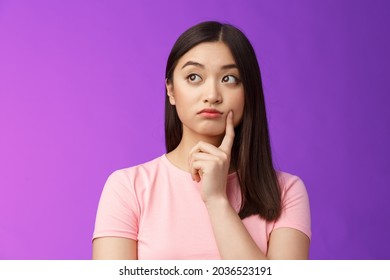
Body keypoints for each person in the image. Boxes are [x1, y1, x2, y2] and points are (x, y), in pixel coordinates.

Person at [92, 21, 311, 260]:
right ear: (171, 90)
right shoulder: (128, 188)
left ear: (249, 92)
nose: (212, 95)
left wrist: (217, 200)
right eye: (194, 77)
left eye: (229, 79)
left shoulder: (286, 192)